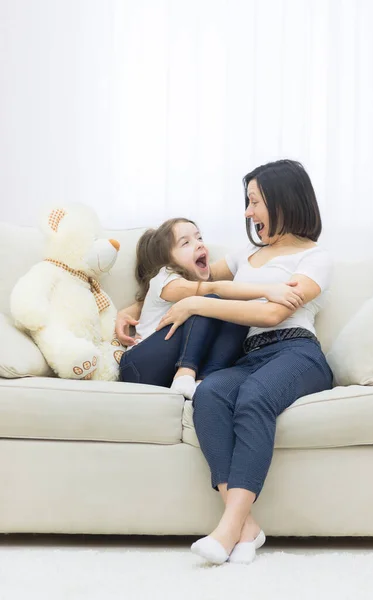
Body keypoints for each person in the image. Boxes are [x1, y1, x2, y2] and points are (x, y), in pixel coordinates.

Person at [155, 159, 333, 565]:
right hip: (250, 356)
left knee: (253, 397)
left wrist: (202, 301)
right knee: (211, 392)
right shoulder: (244, 256)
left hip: (297, 352)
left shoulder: (315, 258)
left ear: (283, 200)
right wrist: (132, 304)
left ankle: (227, 528)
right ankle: (247, 526)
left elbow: (273, 315)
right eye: (247, 202)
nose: (248, 212)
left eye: (254, 202)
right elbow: (185, 280)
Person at [118, 217, 304, 400]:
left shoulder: (189, 284)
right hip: (139, 366)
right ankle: (185, 373)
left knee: (236, 315)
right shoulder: (165, 277)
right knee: (207, 303)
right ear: (167, 260)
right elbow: (214, 289)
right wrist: (268, 291)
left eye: (199, 238)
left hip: (164, 370)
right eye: (186, 243)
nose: (199, 244)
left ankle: (203, 382)